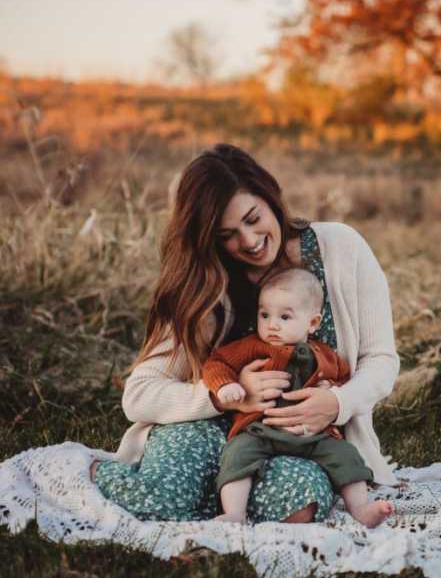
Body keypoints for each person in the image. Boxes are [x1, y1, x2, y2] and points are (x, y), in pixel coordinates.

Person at [92, 143, 399, 524]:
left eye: (253, 218)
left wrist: (338, 403)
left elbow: (381, 359)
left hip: (296, 439)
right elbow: (139, 395)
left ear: (269, 194)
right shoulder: (202, 283)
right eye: (228, 235)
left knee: (300, 506)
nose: (250, 241)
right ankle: (113, 474)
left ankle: (222, 503)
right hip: (205, 430)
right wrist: (225, 398)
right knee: (160, 502)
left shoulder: (340, 248)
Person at [204, 267, 394, 527]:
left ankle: (361, 508)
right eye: (264, 314)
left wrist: (333, 389)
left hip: (313, 435)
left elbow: (346, 378)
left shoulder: (325, 355)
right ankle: (234, 512)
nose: (272, 324)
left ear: (313, 323)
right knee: (236, 454)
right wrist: (226, 386)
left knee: (346, 455)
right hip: (261, 430)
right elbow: (217, 362)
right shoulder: (253, 346)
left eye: (284, 317)